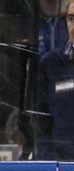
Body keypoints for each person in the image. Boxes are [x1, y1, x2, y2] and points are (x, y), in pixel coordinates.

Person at [35, 0, 74, 160]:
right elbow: (40, 118)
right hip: (60, 167)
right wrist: (49, 160)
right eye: (71, 18)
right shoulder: (51, 63)